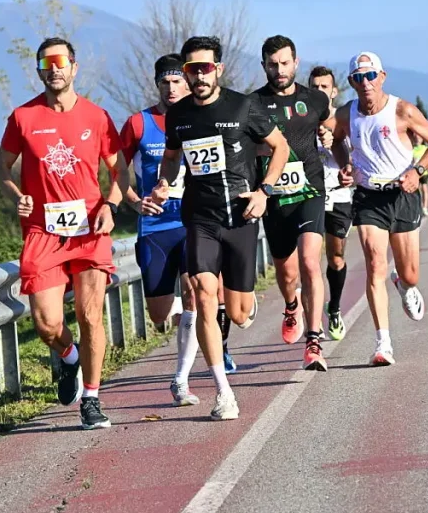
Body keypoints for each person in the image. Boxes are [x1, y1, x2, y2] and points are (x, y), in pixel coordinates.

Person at [150, 35, 289, 420]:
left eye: (204, 68)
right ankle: (223, 392)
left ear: (218, 69)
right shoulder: (178, 115)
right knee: (202, 294)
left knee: (240, 313)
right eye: (191, 69)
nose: (198, 76)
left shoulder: (243, 106)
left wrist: (265, 191)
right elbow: (173, 158)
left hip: (241, 216)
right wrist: (164, 182)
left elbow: (280, 148)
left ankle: (244, 303)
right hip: (200, 217)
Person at [0, 37, 124, 430]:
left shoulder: (97, 117)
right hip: (42, 231)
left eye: (61, 62)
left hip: (89, 228)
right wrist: (16, 194)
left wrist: (110, 205)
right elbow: (1, 168)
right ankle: (68, 356)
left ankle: (92, 398)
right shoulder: (23, 117)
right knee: (46, 323)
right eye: (46, 63)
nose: (54, 69)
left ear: (74, 67)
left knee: (89, 315)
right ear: (39, 70)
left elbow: (121, 172)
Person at [332, 52, 428, 365]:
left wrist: (417, 171)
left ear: (382, 77)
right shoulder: (346, 114)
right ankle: (383, 344)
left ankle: (403, 284)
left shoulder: (402, 110)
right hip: (369, 197)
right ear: (351, 82)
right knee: (374, 264)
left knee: (410, 272)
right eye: (358, 78)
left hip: (402, 193)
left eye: (370, 76)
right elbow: (335, 141)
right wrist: (345, 167)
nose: (365, 83)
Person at [118, 53, 201, 406]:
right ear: (157, 85)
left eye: (177, 81)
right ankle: (193, 323)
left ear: (188, 81)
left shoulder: (204, 118)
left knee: (195, 291)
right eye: (164, 82)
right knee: (159, 316)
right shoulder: (139, 124)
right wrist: (136, 202)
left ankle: (181, 379)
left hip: (195, 220)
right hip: (155, 225)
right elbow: (115, 171)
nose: (171, 88)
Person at [251, 36, 335, 371]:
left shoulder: (314, 98)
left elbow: (332, 126)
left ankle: (313, 340)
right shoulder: (252, 104)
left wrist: (331, 140)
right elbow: (243, 147)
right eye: (273, 64)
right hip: (275, 199)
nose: (279, 70)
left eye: (285, 63)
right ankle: (291, 306)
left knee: (311, 263)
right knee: (287, 276)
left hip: (310, 191)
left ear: (296, 63)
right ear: (264, 66)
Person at [308, 66, 352, 341]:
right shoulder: (301, 119)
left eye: (324, 87)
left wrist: (335, 143)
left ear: (333, 91)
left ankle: (334, 308)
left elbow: (355, 158)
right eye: (314, 87)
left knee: (336, 258)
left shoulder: (345, 120)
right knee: (309, 261)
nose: (320, 91)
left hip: (338, 195)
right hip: (310, 195)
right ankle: (313, 320)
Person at [411, 132, 428, 215]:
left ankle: (425, 207)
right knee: (416, 191)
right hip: (415, 173)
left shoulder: (425, 148)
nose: (417, 140)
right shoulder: (411, 149)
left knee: (424, 189)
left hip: (424, 172)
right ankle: (418, 207)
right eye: (416, 138)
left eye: (419, 138)